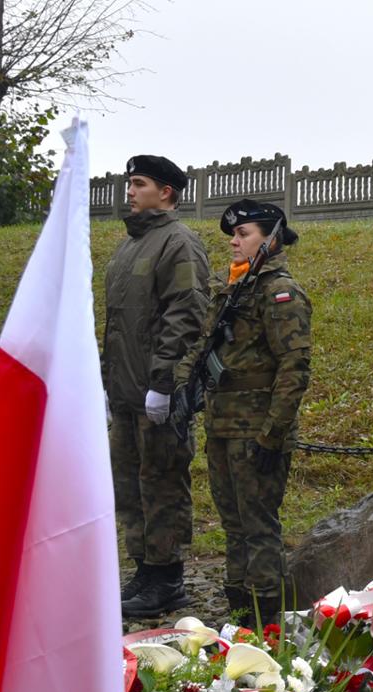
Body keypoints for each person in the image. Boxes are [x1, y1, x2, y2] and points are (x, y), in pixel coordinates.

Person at [177, 198, 311, 625]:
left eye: (243, 234)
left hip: (256, 430)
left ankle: (267, 619)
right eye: (233, 235)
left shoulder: (280, 293)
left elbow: (294, 367)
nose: (234, 242)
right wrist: (181, 384)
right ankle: (239, 610)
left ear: (270, 239)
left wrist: (273, 434)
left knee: (258, 526)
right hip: (222, 425)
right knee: (233, 525)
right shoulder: (233, 287)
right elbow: (205, 344)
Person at [106, 154, 213, 620]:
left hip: (157, 392)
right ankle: (144, 570)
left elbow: (186, 314)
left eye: (139, 183)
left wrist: (165, 381)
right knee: (130, 485)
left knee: (162, 482)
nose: (130, 191)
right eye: (130, 183)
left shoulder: (178, 243)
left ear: (165, 192)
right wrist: (110, 383)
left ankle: (167, 577)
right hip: (126, 393)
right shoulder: (130, 246)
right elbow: (119, 324)